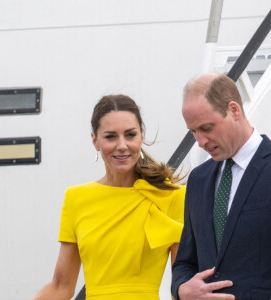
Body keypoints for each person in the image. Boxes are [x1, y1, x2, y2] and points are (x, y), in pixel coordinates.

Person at [32, 94, 186, 300]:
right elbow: (61, 286)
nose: (121, 145)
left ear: (141, 135)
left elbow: (183, 284)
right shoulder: (76, 199)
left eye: (130, 135)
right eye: (110, 136)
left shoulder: (172, 196)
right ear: (95, 141)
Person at [171, 73, 271, 300]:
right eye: (193, 131)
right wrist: (182, 289)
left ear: (234, 111)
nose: (200, 141)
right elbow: (185, 262)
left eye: (206, 128)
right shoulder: (198, 180)